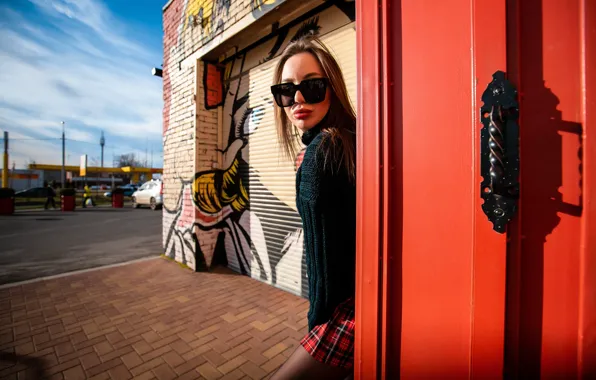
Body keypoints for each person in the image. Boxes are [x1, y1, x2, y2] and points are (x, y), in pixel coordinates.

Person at [270, 36, 356, 379]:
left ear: (332, 88)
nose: (299, 99)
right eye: (287, 91)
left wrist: (316, 325)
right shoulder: (351, 139)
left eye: (313, 86)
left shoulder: (319, 152)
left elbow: (324, 266)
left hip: (345, 315)